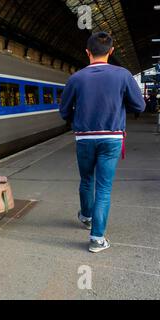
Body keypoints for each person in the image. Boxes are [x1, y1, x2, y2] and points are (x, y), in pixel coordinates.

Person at [60, 32, 145, 253]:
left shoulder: (76, 78)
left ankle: (86, 216)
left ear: (87, 52)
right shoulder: (123, 75)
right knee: (104, 188)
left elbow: (63, 111)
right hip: (112, 137)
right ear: (111, 51)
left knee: (87, 179)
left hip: (85, 138)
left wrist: (76, 118)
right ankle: (97, 239)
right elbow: (139, 106)